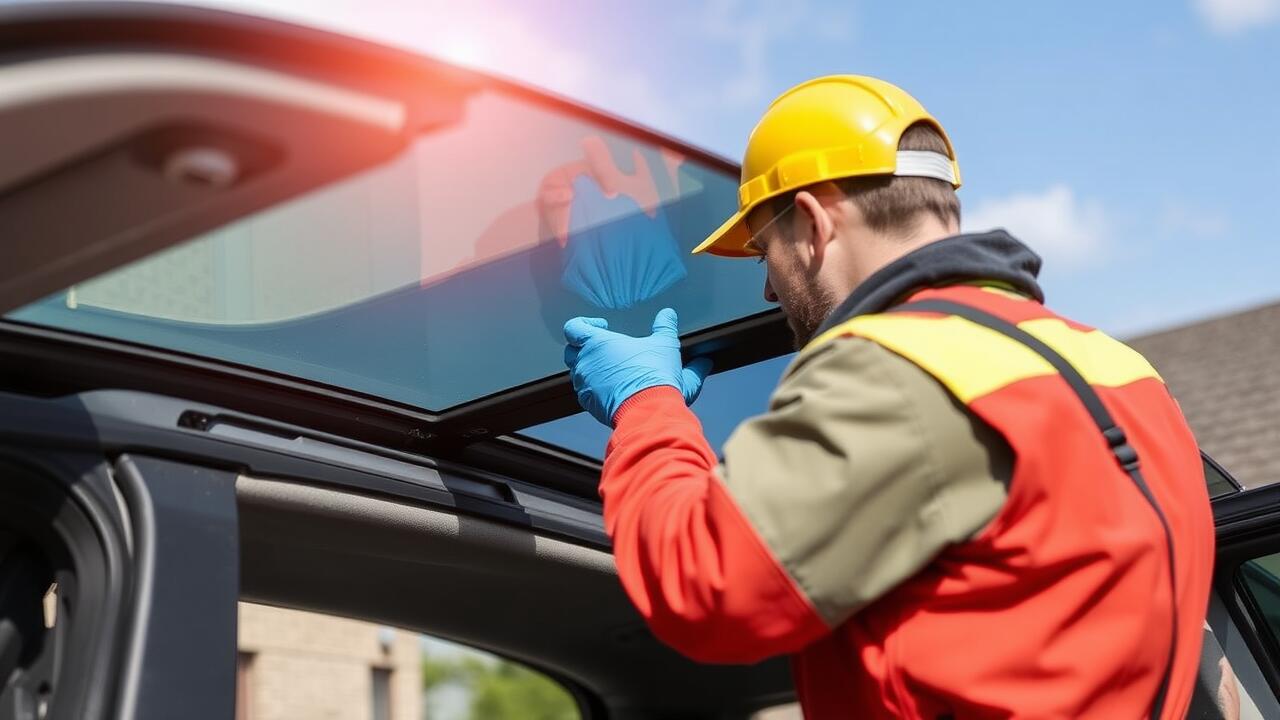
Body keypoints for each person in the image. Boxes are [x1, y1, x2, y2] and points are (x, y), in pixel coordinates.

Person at [562, 75, 1216, 718]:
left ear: (815, 223)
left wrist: (645, 404)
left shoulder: (894, 367)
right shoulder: (1120, 369)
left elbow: (705, 584)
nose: (768, 290)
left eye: (765, 253)